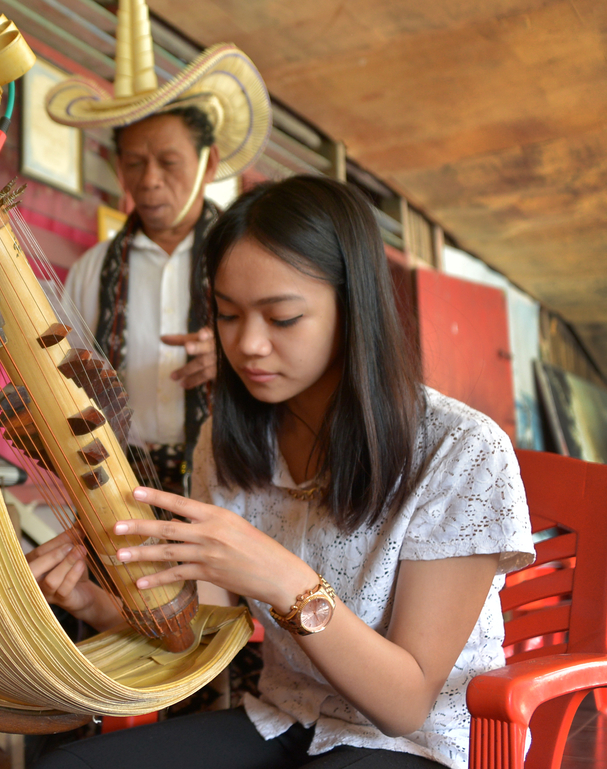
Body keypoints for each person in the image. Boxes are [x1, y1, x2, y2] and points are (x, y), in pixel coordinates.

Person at [27, 175, 535, 769]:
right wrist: (89, 602)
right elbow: (201, 630)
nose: (249, 346)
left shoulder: (461, 450)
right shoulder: (233, 438)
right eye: (227, 315)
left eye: (284, 318)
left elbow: (406, 704)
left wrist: (282, 579)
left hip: (415, 744)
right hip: (286, 719)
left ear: (355, 309)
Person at [46, 0, 271, 493]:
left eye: (168, 162)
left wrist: (236, 362)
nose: (148, 182)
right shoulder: (93, 270)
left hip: (232, 484)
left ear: (208, 165)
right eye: (134, 163)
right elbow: (60, 381)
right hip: (121, 488)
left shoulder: (251, 260)